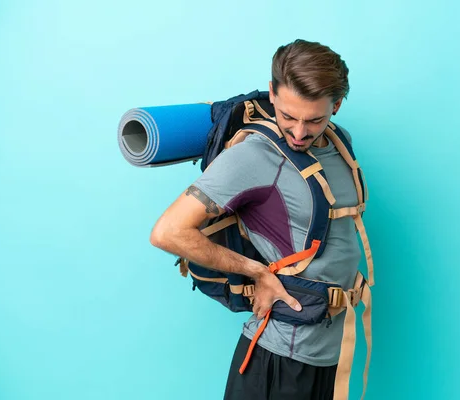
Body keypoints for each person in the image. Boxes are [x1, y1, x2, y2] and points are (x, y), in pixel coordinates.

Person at [150, 39, 367, 399]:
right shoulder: (254, 155)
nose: (299, 133)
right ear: (272, 94)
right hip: (278, 357)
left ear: (337, 105)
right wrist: (257, 272)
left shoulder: (340, 142)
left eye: (314, 119)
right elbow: (167, 232)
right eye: (287, 116)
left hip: (328, 351)